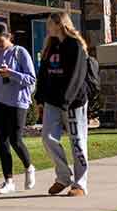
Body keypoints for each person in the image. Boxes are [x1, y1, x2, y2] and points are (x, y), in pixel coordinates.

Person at [35, 12, 90, 197]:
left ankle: (80, 184)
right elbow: (43, 74)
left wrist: (66, 101)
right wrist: (40, 99)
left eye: (50, 24)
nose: (47, 27)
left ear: (60, 24)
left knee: (77, 142)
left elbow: (77, 76)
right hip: (52, 101)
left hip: (73, 102)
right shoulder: (50, 46)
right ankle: (63, 177)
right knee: (47, 138)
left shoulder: (75, 46)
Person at [0, 22, 37, 194]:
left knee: (15, 140)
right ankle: (8, 180)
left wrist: (11, 73)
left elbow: (31, 79)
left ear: (9, 36)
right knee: (2, 142)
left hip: (18, 102)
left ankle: (29, 167)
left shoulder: (20, 52)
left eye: (0, 40)